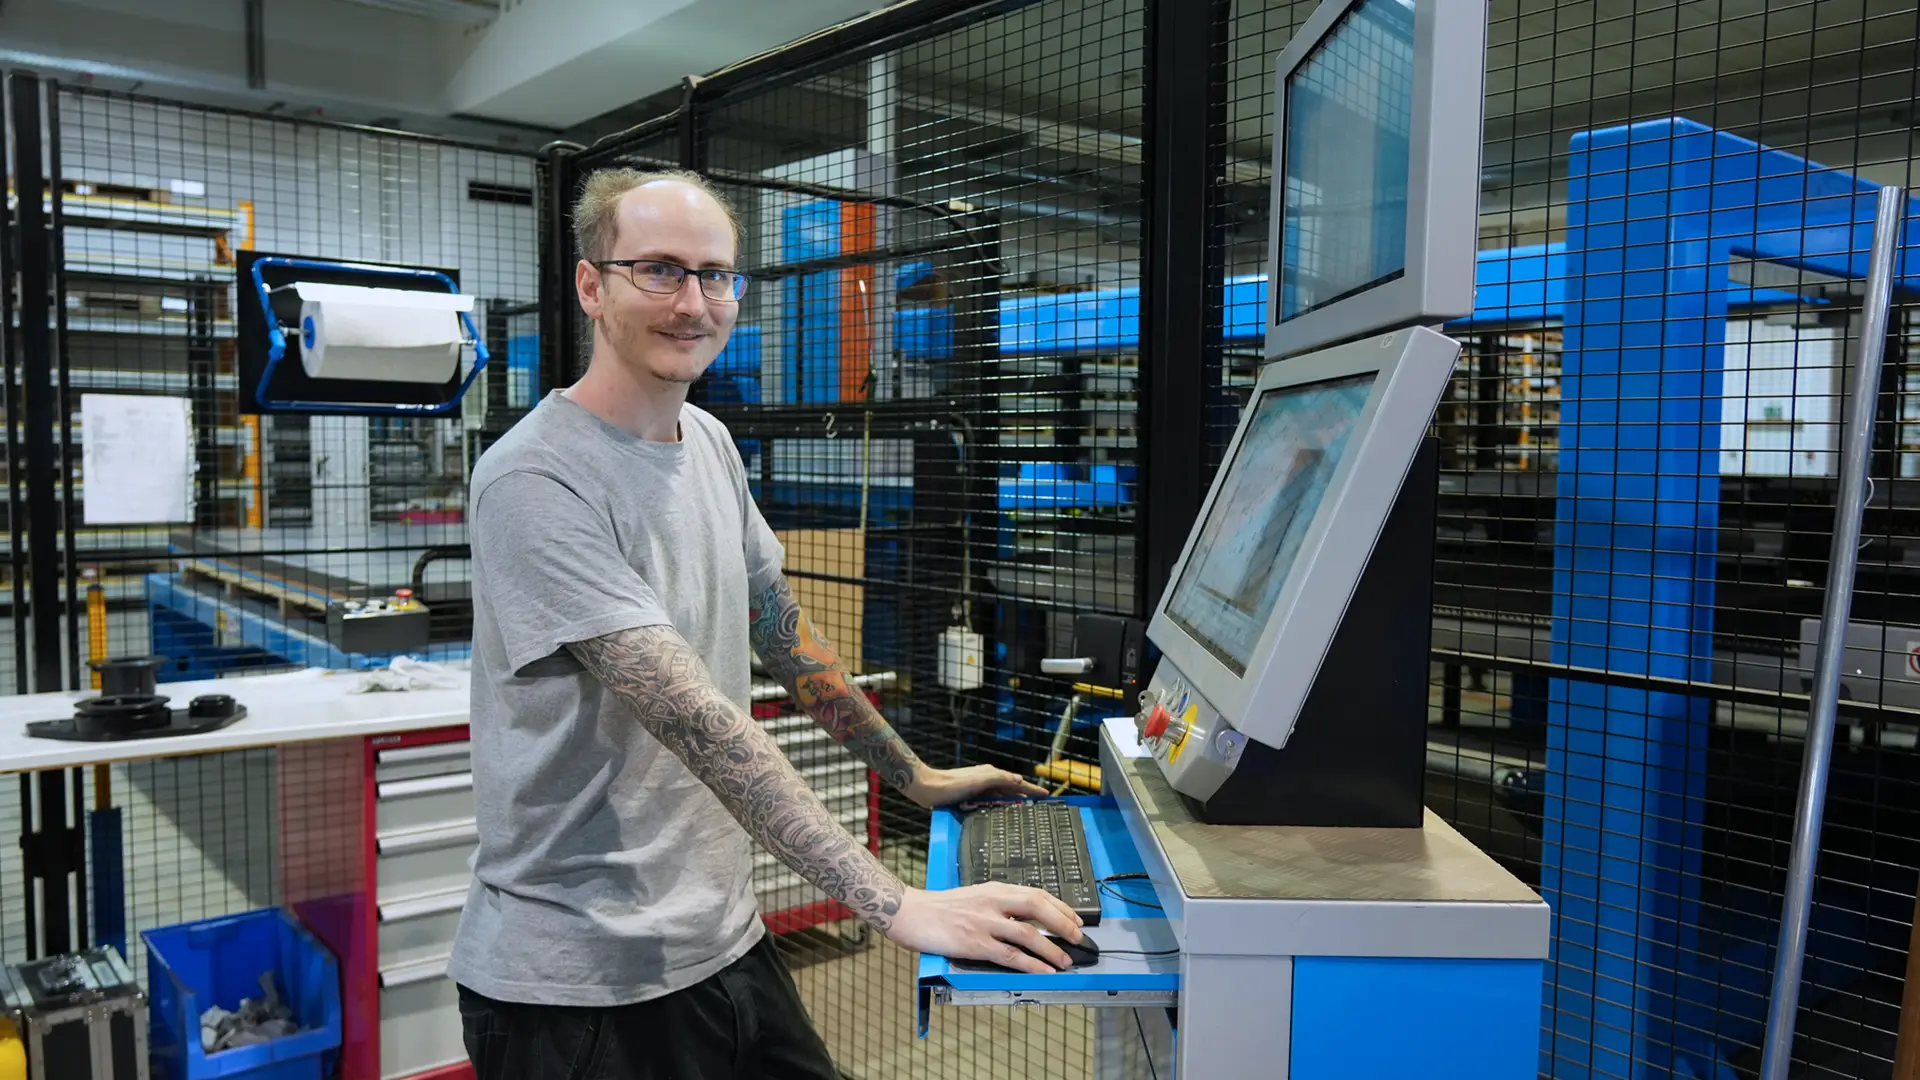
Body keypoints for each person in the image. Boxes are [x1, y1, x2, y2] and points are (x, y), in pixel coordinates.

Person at [447, 167, 1085, 1080]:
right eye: (659, 270)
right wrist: (895, 902)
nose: (692, 302)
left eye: (715, 274)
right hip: (579, 988)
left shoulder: (708, 443)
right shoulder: (535, 479)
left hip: (721, 939)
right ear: (592, 285)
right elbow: (697, 720)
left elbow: (778, 625)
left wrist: (912, 776)